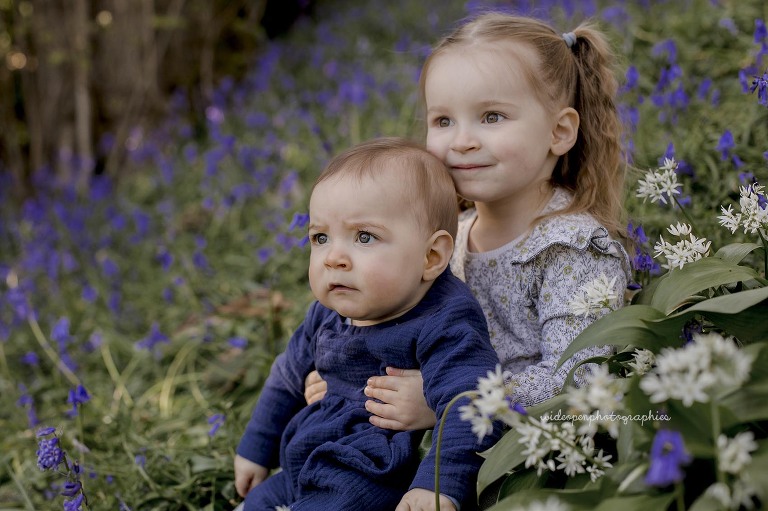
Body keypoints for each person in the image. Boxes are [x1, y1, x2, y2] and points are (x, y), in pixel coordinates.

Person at [305, 13, 632, 431]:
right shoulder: (448, 239)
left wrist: (452, 401)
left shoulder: (572, 247)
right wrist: (346, 377)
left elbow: (581, 379)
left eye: (492, 116)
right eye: (443, 121)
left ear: (559, 131)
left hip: (535, 451)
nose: (462, 141)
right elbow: (396, 327)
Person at [234, 137, 502, 511]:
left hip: (374, 473)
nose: (334, 258)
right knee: (259, 502)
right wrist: (256, 447)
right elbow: (287, 375)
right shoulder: (326, 313)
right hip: (308, 459)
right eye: (320, 238)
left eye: (364, 237)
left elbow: (471, 402)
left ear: (431, 256)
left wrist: (438, 484)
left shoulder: (443, 319)